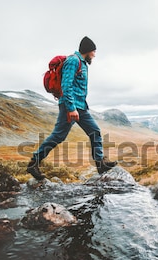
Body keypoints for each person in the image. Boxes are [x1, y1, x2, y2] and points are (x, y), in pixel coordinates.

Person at [27, 36, 117, 180]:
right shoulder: (73, 61)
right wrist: (70, 108)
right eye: (93, 51)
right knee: (58, 136)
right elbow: (66, 85)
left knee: (95, 131)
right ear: (87, 51)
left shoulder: (83, 63)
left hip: (81, 106)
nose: (94, 54)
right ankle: (34, 162)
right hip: (70, 106)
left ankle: (100, 163)